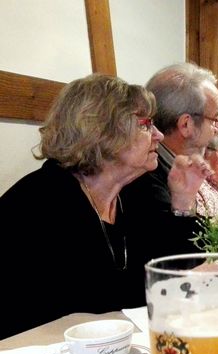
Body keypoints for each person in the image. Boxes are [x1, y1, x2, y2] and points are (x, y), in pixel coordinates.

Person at [0, 74, 168, 338]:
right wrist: (174, 284)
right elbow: (89, 299)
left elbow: (157, 266)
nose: (159, 135)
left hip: (101, 346)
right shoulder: (43, 201)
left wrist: (183, 199)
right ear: (103, 132)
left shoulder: (131, 194)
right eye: (145, 125)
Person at [121, 62, 218, 264]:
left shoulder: (176, 166)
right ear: (186, 124)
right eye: (214, 119)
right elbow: (179, 262)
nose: (217, 129)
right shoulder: (146, 176)